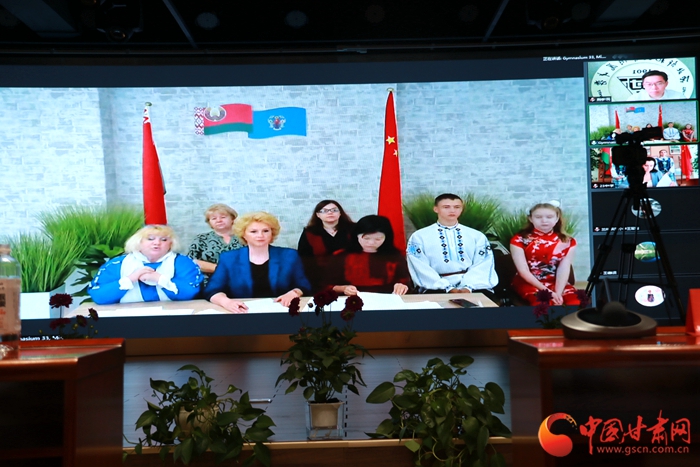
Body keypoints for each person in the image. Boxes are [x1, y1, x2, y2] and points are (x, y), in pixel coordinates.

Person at [203, 211, 311, 313]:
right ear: (244, 234)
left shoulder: (289, 255)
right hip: (241, 312)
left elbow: (304, 285)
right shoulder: (229, 258)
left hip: (281, 311)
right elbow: (212, 290)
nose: (260, 235)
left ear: (272, 233)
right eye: (253, 231)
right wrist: (226, 302)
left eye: (265, 231)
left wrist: (293, 293)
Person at [406, 193, 498, 294]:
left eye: (457, 207)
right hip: (435, 287)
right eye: (446, 207)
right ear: (436, 209)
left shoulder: (477, 236)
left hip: (474, 286)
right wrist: (446, 287)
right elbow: (419, 264)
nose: (452, 210)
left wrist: (468, 287)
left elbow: (484, 262)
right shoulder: (418, 237)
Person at [88, 225, 203, 305]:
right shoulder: (116, 264)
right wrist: (131, 278)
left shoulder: (184, 263)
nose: (157, 243)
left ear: (171, 244)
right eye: (150, 239)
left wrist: (159, 279)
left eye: (164, 240)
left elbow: (190, 293)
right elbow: (99, 296)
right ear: (139, 241)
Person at [509, 202, 579, 306]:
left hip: (556, 283)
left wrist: (558, 293)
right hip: (528, 282)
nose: (544, 220)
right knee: (543, 303)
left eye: (549, 217)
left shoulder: (568, 241)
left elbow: (564, 268)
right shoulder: (519, 240)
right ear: (530, 219)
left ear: (557, 218)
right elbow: (523, 271)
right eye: (538, 217)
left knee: (576, 302)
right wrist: (549, 292)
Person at [331, 215, 410, 295]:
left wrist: (402, 286)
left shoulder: (395, 257)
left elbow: (406, 283)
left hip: (385, 300)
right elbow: (327, 286)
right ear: (356, 235)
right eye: (366, 238)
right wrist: (343, 288)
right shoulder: (340, 256)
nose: (371, 243)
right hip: (351, 300)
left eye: (378, 239)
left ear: (386, 237)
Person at [297, 200, 355, 292]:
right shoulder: (310, 232)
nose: (330, 213)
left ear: (340, 213)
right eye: (324, 211)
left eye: (334, 210)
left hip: (351, 275)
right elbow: (305, 260)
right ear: (318, 215)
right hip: (320, 278)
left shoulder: (353, 229)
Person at [187, 203, 243, 285]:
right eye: (214, 218)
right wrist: (220, 269)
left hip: (241, 281)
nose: (219, 220)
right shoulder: (201, 238)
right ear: (209, 223)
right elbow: (191, 262)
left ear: (232, 219)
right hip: (209, 282)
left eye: (223, 217)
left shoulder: (244, 237)